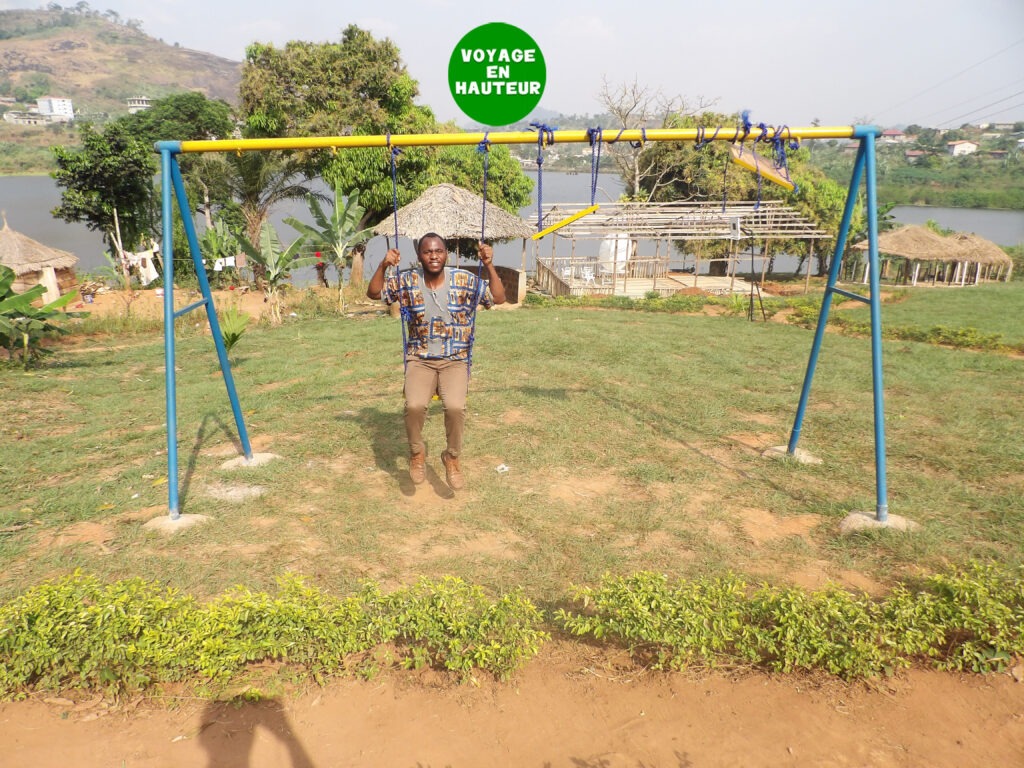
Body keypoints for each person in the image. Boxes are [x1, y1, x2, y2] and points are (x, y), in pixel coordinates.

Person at [366, 233, 506, 490]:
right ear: (419, 255)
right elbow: (374, 294)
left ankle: (451, 457)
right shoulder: (407, 280)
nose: (433, 256)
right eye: (427, 251)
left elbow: (498, 298)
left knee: (455, 407)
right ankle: (417, 453)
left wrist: (488, 265)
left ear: (446, 254)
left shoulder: (463, 279)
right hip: (420, 358)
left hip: (455, 359)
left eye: (438, 251)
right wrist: (384, 265)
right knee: (415, 405)